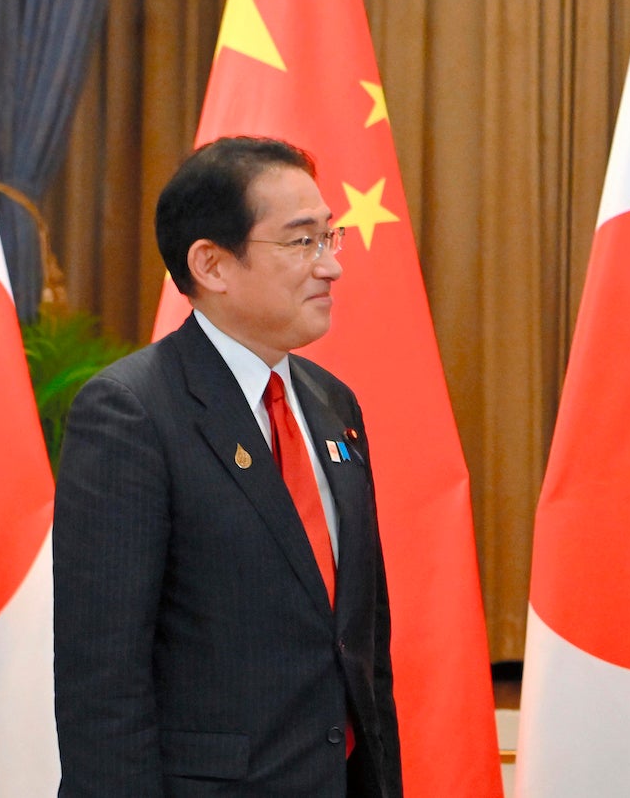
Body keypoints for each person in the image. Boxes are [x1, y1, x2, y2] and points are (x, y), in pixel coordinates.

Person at [53, 137, 401, 797]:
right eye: (303, 242)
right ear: (211, 263)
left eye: (333, 237)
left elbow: (363, 646)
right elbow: (102, 681)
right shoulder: (132, 413)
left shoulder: (334, 404)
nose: (332, 266)